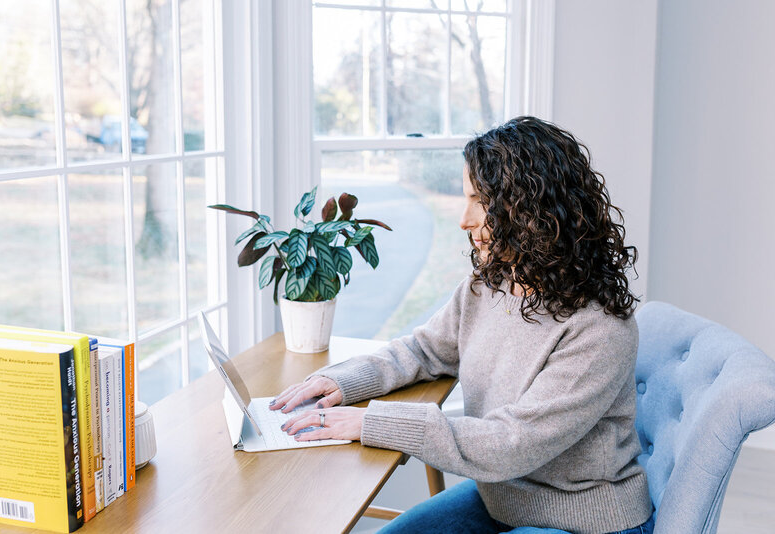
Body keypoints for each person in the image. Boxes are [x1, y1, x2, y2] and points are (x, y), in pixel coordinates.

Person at [269, 116, 654, 534]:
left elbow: (511, 443)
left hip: (585, 522)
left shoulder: (599, 329)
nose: (464, 220)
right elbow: (425, 350)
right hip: (504, 499)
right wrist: (344, 382)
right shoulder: (489, 286)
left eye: (480, 202)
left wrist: (371, 424)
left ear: (532, 211)